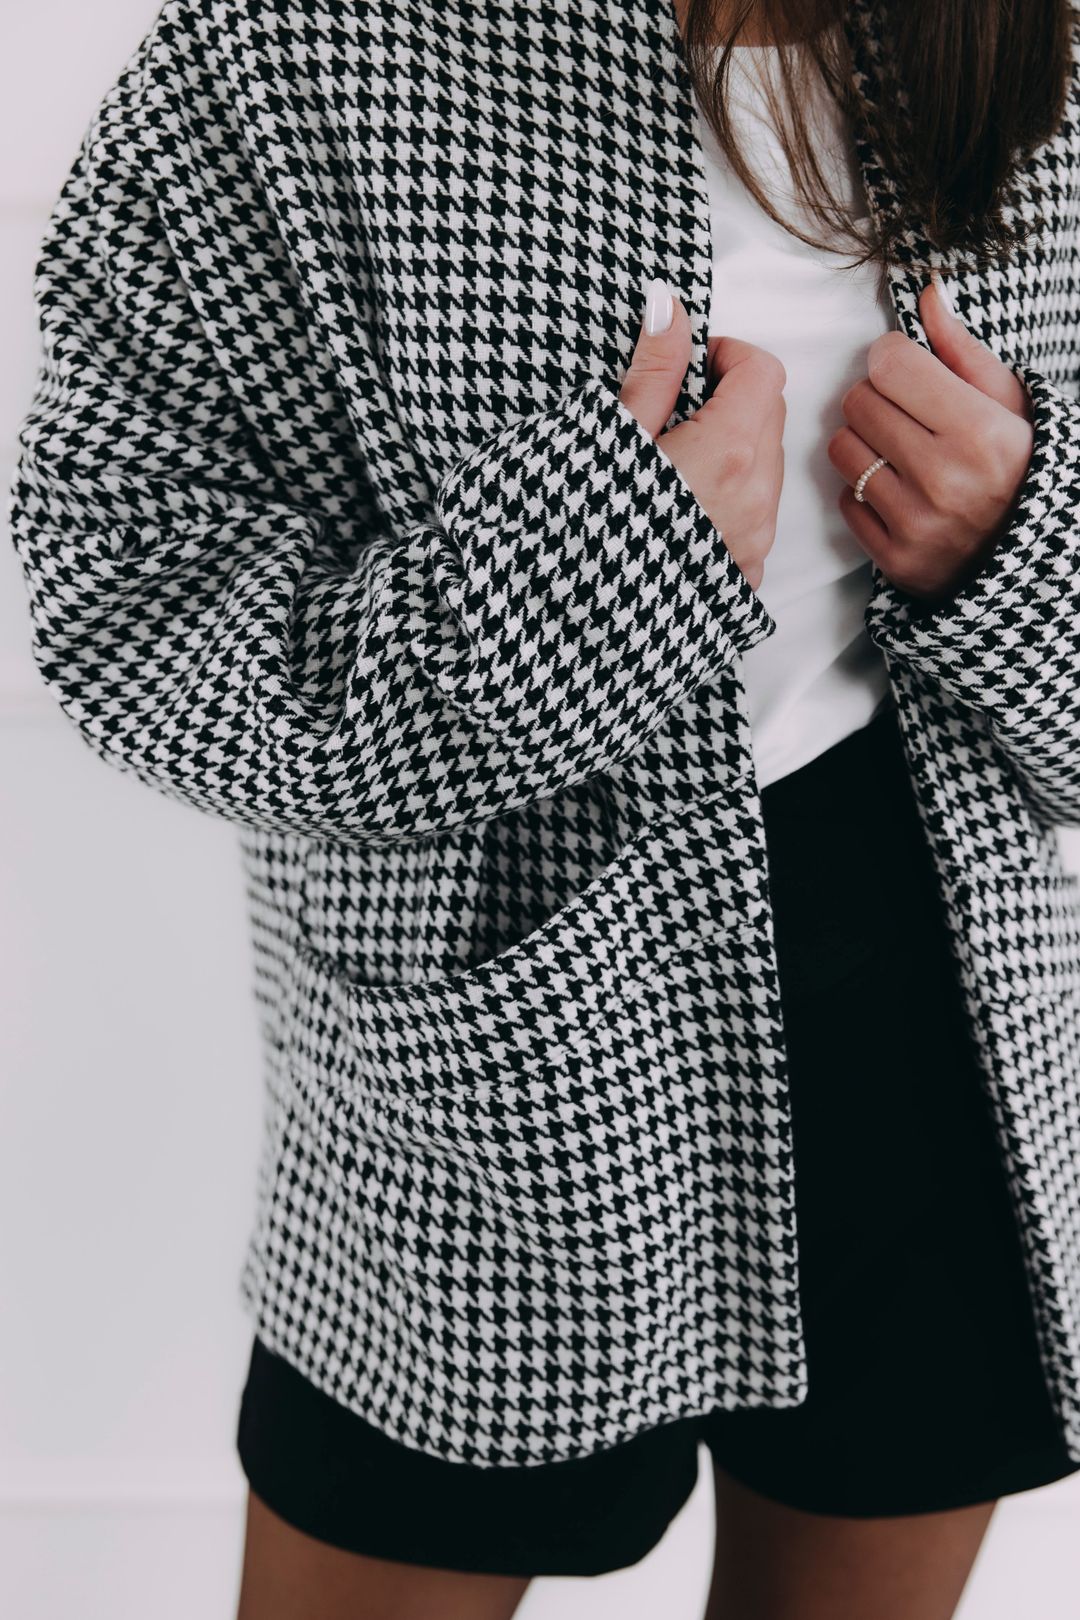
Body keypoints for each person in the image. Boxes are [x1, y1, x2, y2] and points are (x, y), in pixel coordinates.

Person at [10, 0, 1080, 1615]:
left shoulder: (1028, 43)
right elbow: (128, 614)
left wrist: (1016, 546)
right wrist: (584, 582)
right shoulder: (290, 50)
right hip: (496, 1090)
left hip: (951, 1052)